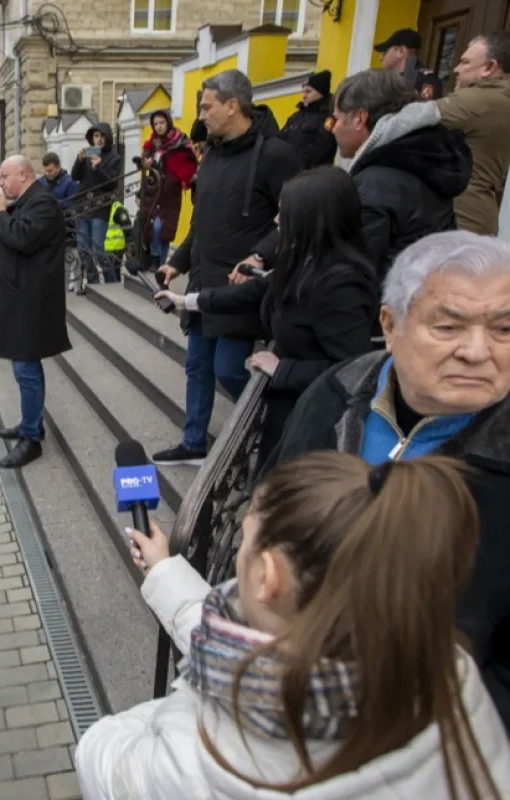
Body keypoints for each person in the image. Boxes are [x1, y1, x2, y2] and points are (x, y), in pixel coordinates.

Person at [75, 451, 510, 798]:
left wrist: (196, 693)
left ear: (268, 576)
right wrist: (165, 568)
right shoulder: (449, 670)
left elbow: (100, 758)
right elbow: (269, 651)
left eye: (245, 538)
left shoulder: (199, 755)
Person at [266, 231, 510, 732]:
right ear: (390, 325)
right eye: (448, 326)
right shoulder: (335, 392)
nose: (477, 351)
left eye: (505, 329)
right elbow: (268, 507)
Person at [156, 167, 377, 463]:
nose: (276, 221)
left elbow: (355, 370)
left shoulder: (341, 285)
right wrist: (188, 301)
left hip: (316, 433)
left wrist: (283, 369)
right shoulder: (302, 260)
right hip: (290, 414)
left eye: (284, 213)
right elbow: (254, 291)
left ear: (313, 219)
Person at [154, 70, 302, 466]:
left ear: (233, 105)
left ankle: (276, 425)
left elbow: (295, 216)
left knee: (229, 370)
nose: (200, 117)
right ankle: (194, 442)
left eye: (206, 107)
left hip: (241, 287)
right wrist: (177, 261)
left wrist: (261, 256)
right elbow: (202, 219)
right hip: (204, 281)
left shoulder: (275, 154)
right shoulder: (214, 153)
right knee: (198, 366)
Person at [333, 69, 472, 287]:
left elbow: (352, 277)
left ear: (360, 118)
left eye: (337, 119)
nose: (333, 129)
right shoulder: (423, 160)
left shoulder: (376, 184)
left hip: (387, 311)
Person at [0, 155, 69, 469]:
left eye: (4, 177)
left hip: (32, 302)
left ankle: (31, 437)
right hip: (19, 298)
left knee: (26, 370)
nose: (1, 183)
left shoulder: (44, 203)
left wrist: (1, 214)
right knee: (24, 369)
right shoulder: (25, 202)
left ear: (23, 173)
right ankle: (30, 422)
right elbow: (2, 240)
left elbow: (22, 238)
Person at [437, 31, 510, 237]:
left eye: (465, 62)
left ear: (489, 68)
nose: (456, 69)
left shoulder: (481, 100)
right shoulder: (501, 99)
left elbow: (411, 120)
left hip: (461, 216)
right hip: (476, 214)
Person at [137, 110, 198, 269]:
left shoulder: (180, 141)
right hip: (154, 194)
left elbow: (189, 162)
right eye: (155, 124)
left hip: (171, 195)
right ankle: (157, 259)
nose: (159, 127)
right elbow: (145, 170)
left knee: (164, 233)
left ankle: (160, 264)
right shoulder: (152, 144)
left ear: (168, 122)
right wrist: (146, 164)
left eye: (162, 123)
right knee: (153, 229)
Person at [69, 122, 123, 284]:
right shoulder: (87, 155)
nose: (99, 140)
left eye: (102, 136)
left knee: (98, 249)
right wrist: (79, 160)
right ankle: (92, 281)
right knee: (82, 248)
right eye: (96, 136)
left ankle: (111, 281)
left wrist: (98, 167)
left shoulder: (114, 158)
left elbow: (112, 183)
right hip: (83, 205)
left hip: (100, 206)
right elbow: (75, 176)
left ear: (108, 138)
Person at [279, 69, 339, 169]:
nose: (303, 96)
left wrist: (295, 160)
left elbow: (323, 144)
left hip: (315, 173)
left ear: (321, 92)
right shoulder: (295, 117)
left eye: (308, 92)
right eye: (303, 92)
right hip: (289, 171)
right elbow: (281, 138)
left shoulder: (330, 117)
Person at [376, 27, 445, 100]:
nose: (380, 58)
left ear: (401, 51)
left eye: (385, 52)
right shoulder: (391, 80)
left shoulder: (424, 81)